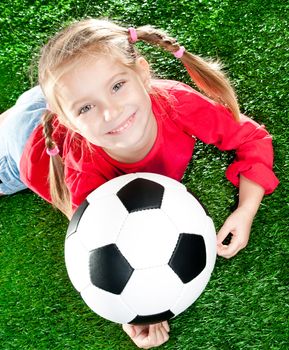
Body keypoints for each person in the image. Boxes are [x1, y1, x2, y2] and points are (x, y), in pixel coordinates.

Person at [0, 18, 279, 348]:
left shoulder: (177, 103)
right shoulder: (83, 172)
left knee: (60, 93)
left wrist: (247, 209)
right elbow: (98, 250)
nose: (111, 112)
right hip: (24, 146)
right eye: (88, 108)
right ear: (69, 122)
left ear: (143, 74)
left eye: (117, 86)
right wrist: (134, 309)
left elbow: (251, 138)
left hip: (62, 93)